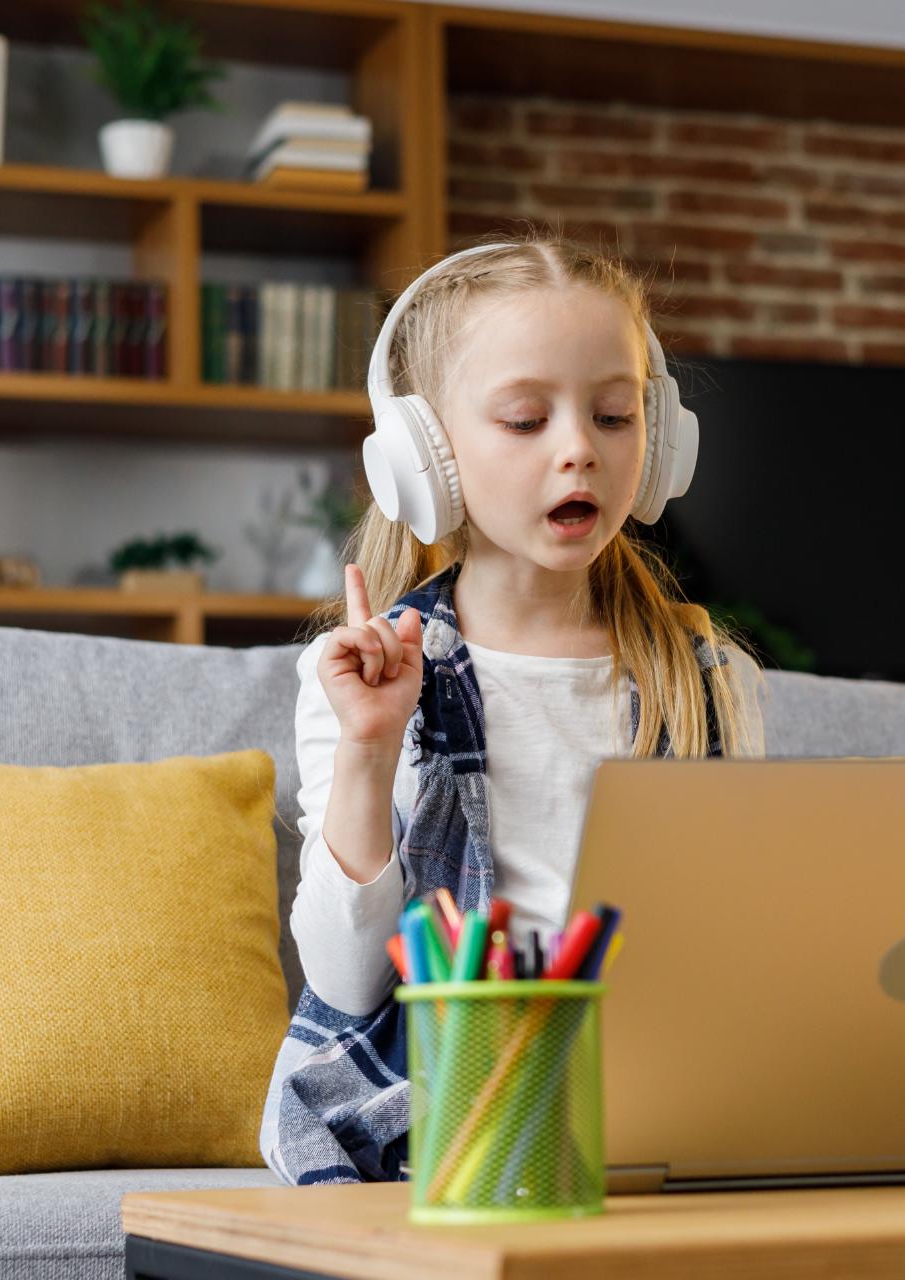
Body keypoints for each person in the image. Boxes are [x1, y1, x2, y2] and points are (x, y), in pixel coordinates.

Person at [259, 230, 767, 1185]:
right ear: (426, 457)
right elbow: (342, 980)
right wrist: (370, 750)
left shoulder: (705, 679)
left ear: (659, 442)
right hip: (449, 1104)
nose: (580, 449)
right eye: (526, 420)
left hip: (660, 1092)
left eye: (615, 416)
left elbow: (734, 944)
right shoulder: (362, 681)